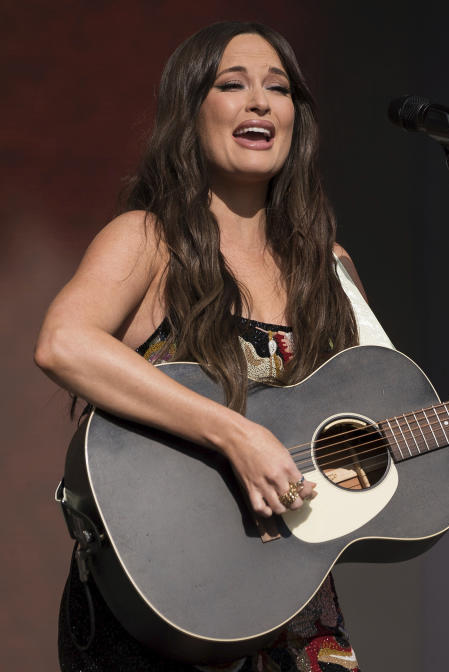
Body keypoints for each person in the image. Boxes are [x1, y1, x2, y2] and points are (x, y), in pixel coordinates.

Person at [35, 21, 393, 672]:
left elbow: (368, 422)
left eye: (278, 89)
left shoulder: (331, 268)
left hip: (293, 609)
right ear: (191, 111)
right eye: (233, 84)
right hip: (161, 602)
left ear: (295, 118)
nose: (260, 101)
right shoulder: (149, 238)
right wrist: (234, 433)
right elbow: (64, 343)